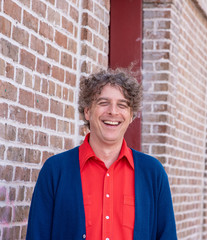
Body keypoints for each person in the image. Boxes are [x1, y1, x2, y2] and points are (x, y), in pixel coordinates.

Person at [26, 68, 178, 240]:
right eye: (103, 102)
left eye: (122, 105)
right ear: (87, 111)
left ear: (131, 115)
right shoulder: (55, 170)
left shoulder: (153, 173)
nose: (113, 111)